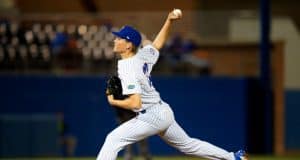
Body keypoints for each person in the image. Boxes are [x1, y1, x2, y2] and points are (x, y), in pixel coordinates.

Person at [96, 9, 248, 160]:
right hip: (163, 111)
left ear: (128, 45)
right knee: (188, 145)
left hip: (151, 115)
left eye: (119, 39)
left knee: (113, 139)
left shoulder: (128, 67)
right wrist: (169, 20)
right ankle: (234, 157)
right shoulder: (141, 56)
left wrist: (113, 101)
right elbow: (157, 44)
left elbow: (136, 103)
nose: (115, 40)